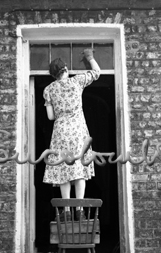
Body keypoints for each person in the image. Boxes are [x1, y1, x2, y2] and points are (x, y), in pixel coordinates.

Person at [43, 48, 101, 221]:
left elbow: (50, 116)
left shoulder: (49, 90)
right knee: (79, 170)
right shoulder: (77, 82)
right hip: (77, 131)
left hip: (60, 133)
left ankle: (67, 211)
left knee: (63, 171)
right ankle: (80, 211)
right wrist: (90, 58)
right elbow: (97, 72)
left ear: (53, 75)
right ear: (66, 69)